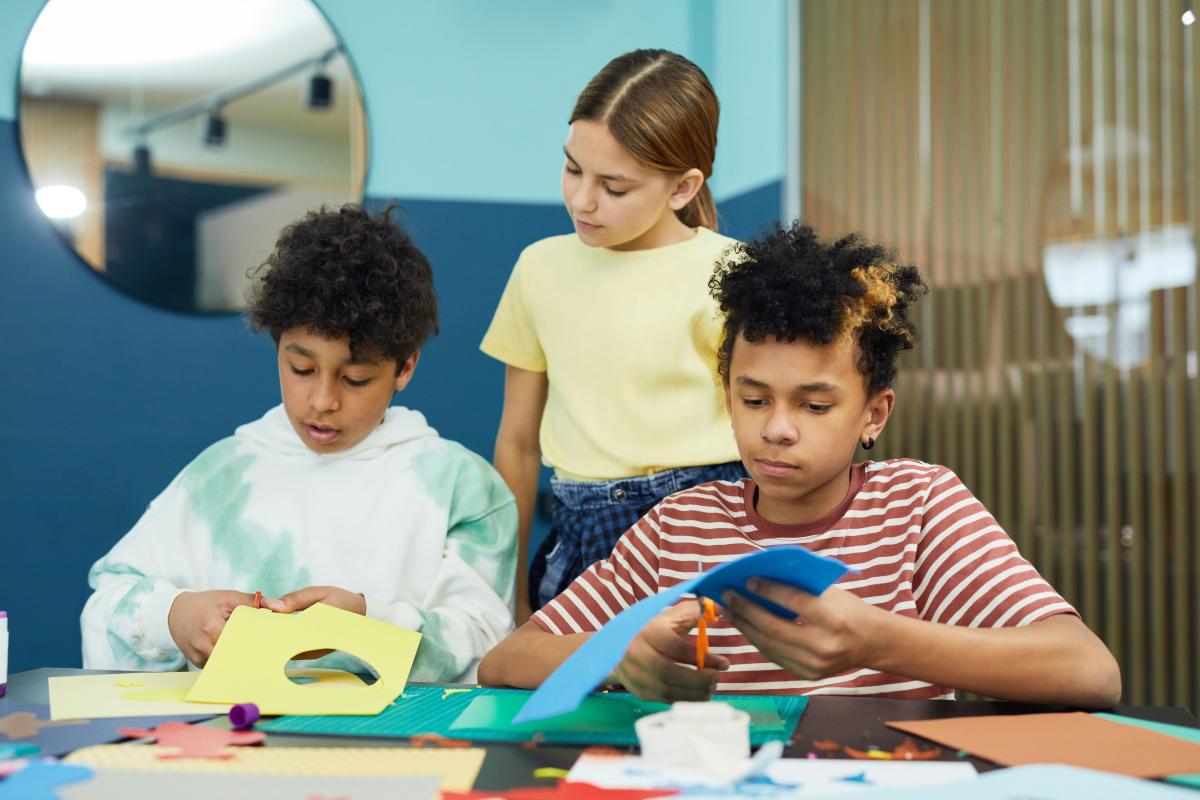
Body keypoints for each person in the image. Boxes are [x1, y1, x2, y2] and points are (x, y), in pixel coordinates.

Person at [479, 221, 1121, 707]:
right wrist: (619, 656)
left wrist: (877, 640)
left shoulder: (918, 507)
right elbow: (507, 661)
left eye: (815, 406)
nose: (777, 429)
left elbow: (1089, 672)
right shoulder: (682, 526)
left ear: (874, 414)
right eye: (753, 399)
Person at [82, 205, 517, 682]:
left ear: (405, 368)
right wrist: (175, 616)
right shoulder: (223, 474)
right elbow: (108, 602)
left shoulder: (460, 487)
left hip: (395, 747)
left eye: (355, 379)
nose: (323, 400)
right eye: (302, 369)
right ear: (277, 346)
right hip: (230, 744)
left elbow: (489, 646)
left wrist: (367, 623)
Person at [482, 49, 744, 624]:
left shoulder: (735, 274)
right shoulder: (538, 269)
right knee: (573, 709)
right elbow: (519, 444)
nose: (581, 200)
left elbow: (774, 430)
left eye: (614, 187)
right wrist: (509, 590)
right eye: (573, 169)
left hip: (709, 533)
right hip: (579, 537)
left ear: (682, 188)